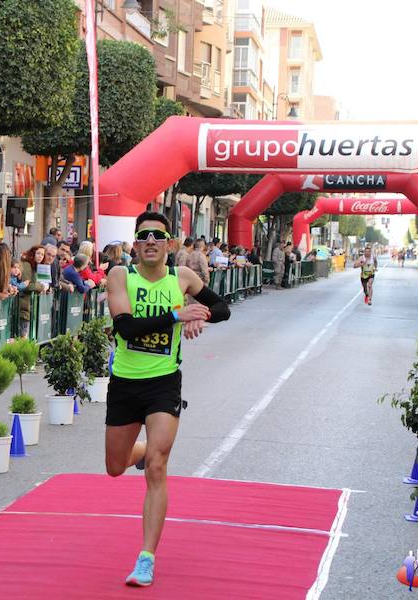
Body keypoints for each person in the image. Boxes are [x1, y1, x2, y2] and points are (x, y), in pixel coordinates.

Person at [105, 211, 229, 587]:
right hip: (125, 382)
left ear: (169, 244)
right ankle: (137, 453)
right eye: (143, 236)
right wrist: (177, 315)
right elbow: (125, 327)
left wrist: (200, 316)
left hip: (163, 384)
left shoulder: (183, 278)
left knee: (159, 465)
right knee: (114, 466)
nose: (150, 242)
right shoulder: (119, 276)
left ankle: (146, 559)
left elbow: (222, 308)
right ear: (135, 244)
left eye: (158, 236)